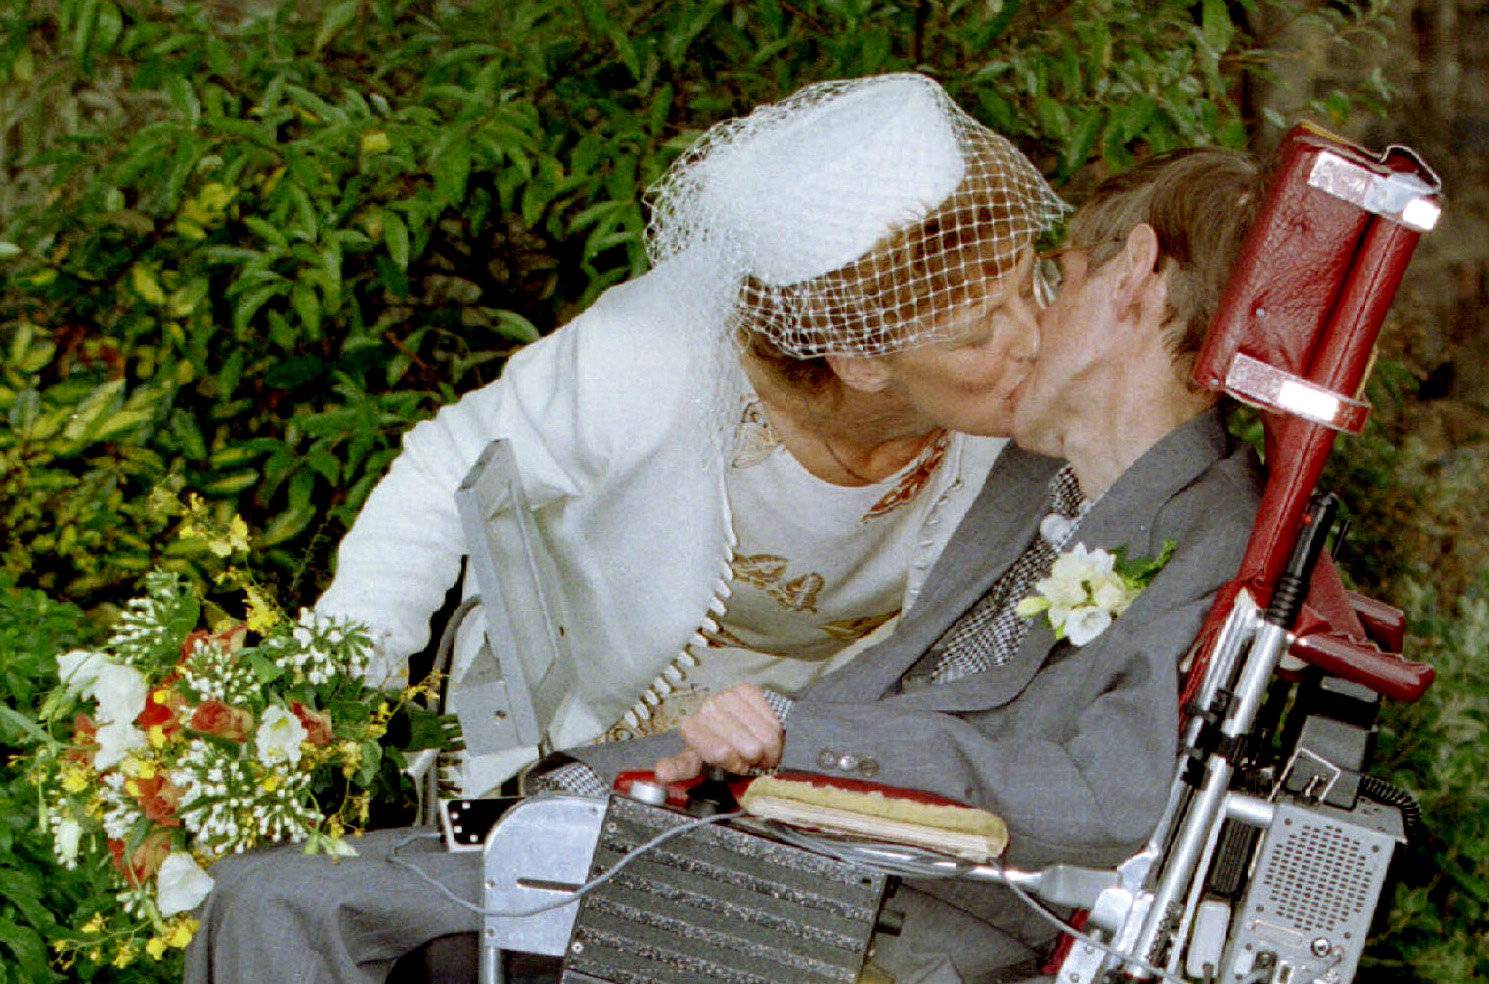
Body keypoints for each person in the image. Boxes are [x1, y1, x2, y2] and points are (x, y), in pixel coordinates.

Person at [184, 147, 1265, 984]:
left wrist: (804, 742)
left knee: (284, 904)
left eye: (1058, 277)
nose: (1030, 326)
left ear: (1133, 281)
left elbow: (1110, 794)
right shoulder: (1038, 478)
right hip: (756, 837)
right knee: (288, 893)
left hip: (858, 904)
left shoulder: (1209, 526)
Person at [314, 73, 1065, 794]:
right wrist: (336, 691)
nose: (1035, 338)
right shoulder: (647, 356)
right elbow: (447, 470)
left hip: (818, 745)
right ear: (859, 357)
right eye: (975, 336)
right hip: (583, 719)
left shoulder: (1033, 369)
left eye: (1030, 282)